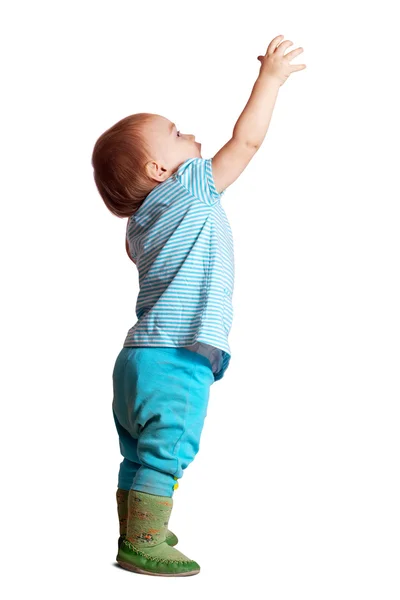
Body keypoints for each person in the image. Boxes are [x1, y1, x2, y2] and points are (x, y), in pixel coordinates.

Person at [91, 34, 306, 577]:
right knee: (169, 451)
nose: (190, 135)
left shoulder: (139, 225)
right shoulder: (191, 187)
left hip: (136, 359)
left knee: (138, 452)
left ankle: (140, 527)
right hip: (177, 355)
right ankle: (141, 541)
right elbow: (246, 143)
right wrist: (270, 80)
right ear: (162, 171)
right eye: (176, 134)